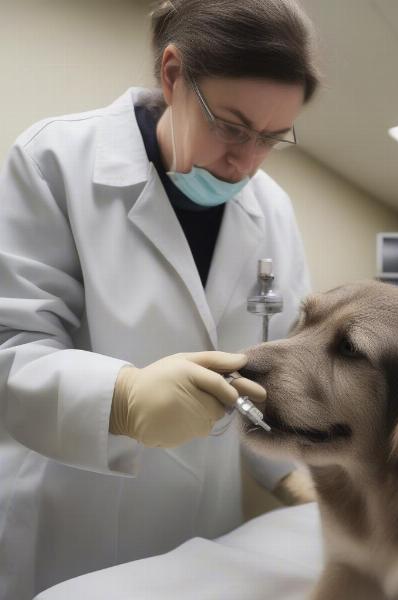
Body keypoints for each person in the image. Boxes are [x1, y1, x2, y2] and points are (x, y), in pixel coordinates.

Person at [0, 0, 320, 597]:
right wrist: (122, 399)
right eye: (231, 126)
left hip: (204, 537)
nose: (246, 163)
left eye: (272, 138)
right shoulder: (54, 161)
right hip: (70, 524)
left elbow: (280, 373)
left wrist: (300, 477)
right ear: (172, 74)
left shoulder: (273, 208)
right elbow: (10, 349)